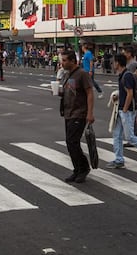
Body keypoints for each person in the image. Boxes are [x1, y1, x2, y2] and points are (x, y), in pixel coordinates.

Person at [60, 49, 94, 183]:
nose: (62, 63)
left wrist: (90, 113)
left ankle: (84, 167)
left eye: (64, 60)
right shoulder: (68, 74)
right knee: (70, 143)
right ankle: (77, 169)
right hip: (68, 112)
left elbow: (90, 93)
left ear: (72, 61)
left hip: (79, 113)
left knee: (72, 142)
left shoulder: (82, 74)